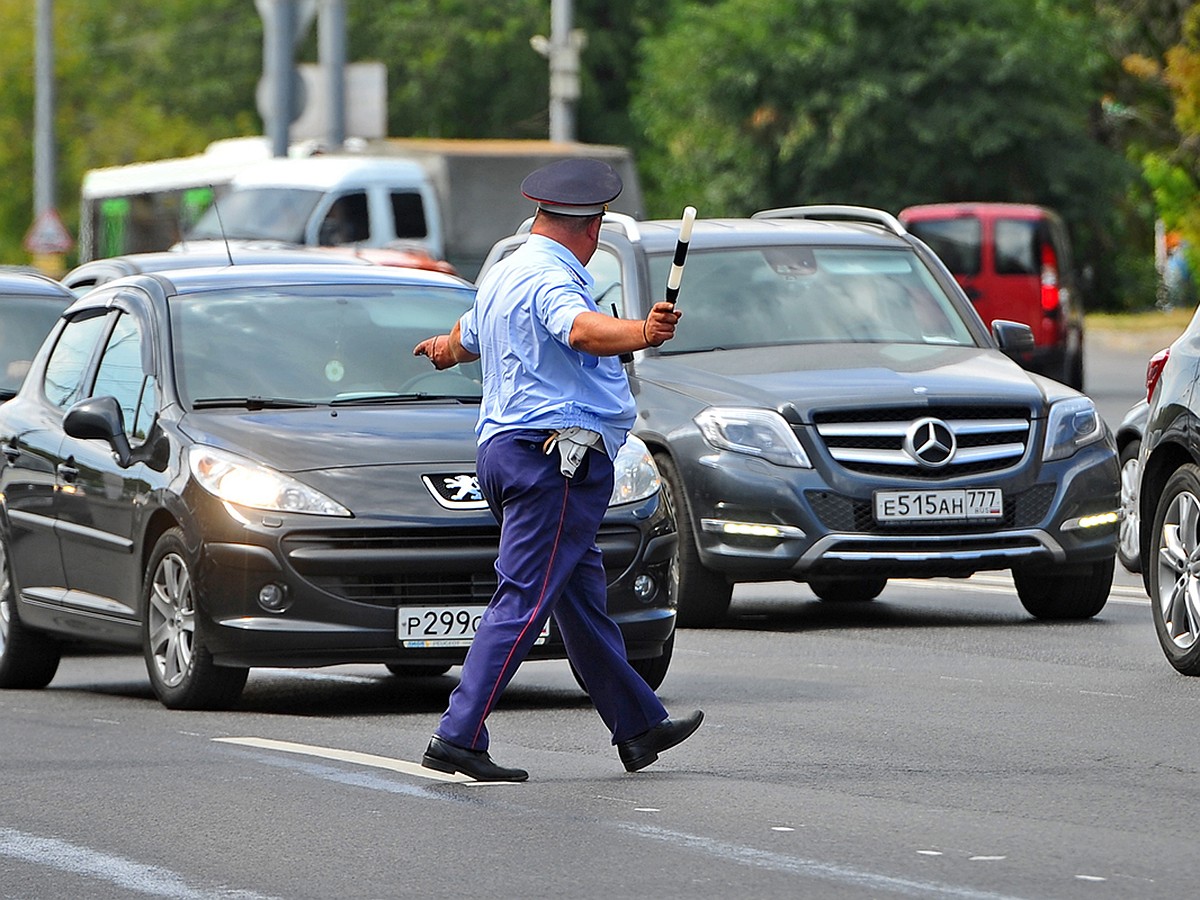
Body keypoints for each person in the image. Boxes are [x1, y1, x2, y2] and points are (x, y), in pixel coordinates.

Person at [411, 158, 701, 782]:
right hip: (555, 463)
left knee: (580, 600)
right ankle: (457, 734)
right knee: (522, 598)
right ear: (590, 227)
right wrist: (642, 331)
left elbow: (463, 340)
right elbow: (582, 331)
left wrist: (439, 351)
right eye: (597, 229)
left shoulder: (504, 273)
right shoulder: (553, 281)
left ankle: (638, 725)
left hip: (507, 454)